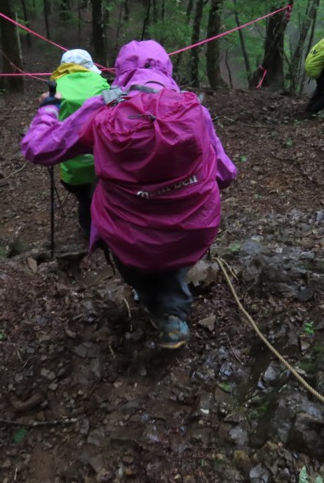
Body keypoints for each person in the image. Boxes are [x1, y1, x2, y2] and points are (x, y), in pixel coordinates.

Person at [21, 40, 237, 349]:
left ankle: (153, 304)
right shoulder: (194, 109)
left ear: (120, 71)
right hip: (190, 228)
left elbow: (38, 148)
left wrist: (48, 108)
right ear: (166, 68)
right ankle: (173, 313)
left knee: (136, 251)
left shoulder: (104, 107)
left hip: (126, 230)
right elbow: (225, 174)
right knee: (170, 248)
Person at [43, 49, 109, 237]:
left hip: (72, 171)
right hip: (102, 164)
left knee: (84, 200)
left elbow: (48, 126)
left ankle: (88, 230)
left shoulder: (54, 88)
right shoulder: (102, 83)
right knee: (100, 196)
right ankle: (103, 229)